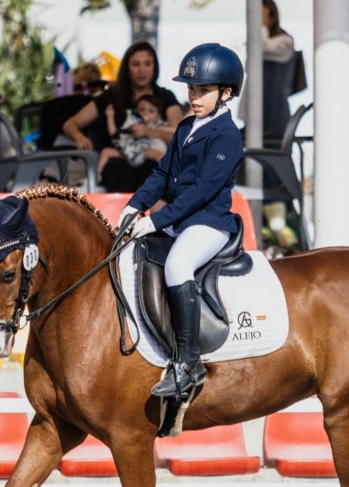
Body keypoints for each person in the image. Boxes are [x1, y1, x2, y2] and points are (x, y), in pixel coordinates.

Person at [119, 43, 245, 399]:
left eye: (203, 90)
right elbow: (163, 173)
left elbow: (203, 191)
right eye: (191, 89)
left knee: (177, 265)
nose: (194, 97)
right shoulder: (187, 126)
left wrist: (156, 220)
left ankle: (189, 363)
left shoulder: (227, 135)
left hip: (209, 222)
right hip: (181, 219)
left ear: (226, 92)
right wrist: (134, 205)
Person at [62, 41, 183, 192]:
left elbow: (181, 136)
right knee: (118, 170)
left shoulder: (166, 97)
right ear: (127, 68)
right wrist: (79, 136)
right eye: (136, 64)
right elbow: (70, 124)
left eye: (147, 64)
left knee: (153, 171)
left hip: (152, 163)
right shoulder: (111, 96)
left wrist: (150, 132)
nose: (142, 70)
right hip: (117, 163)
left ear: (155, 67)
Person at [98, 94, 169, 177]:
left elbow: (173, 132)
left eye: (151, 111)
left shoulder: (158, 126)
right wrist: (110, 117)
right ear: (135, 112)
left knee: (156, 154)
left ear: (158, 116)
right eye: (141, 110)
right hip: (129, 153)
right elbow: (116, 136)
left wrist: (151, 131)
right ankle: (96, 177)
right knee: (105, 151)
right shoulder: (132, 125)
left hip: (145, 152)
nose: (145, 113)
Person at [261, 0, 297, 141]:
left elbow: (262, 46)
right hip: (259, 113)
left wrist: (263, 26)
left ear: (272, 15)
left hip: (276, 115)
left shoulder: (284, 41)